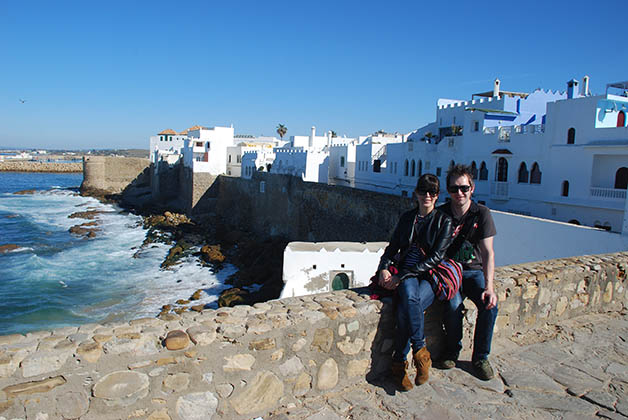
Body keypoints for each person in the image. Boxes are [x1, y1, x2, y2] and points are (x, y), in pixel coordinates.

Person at [377, 174, 454, 391]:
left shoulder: (443, 221)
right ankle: (420, 355)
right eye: (423, 191)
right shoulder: (407, 218)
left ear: (437, 196)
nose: (427, 196)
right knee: (411, 299)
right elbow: (392, 249)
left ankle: (400, 363)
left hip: (429, 275)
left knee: (408, 306)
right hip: (406, 273)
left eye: (432, 192)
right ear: (416, 193)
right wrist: (384, 268)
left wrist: (402, 276)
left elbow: (436, 258)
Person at [437, 164, 498, 380]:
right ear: (448, 191)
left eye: (464, 188)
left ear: (472, 188)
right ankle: (452, 350)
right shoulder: (441, 214)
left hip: (473, 272)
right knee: (452, 306)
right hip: (450, 273)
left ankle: (480, 357)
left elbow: (488, 252)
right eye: (454, 189)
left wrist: (489, 287)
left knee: (490, 306)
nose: (459, 193)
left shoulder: (481, 214)